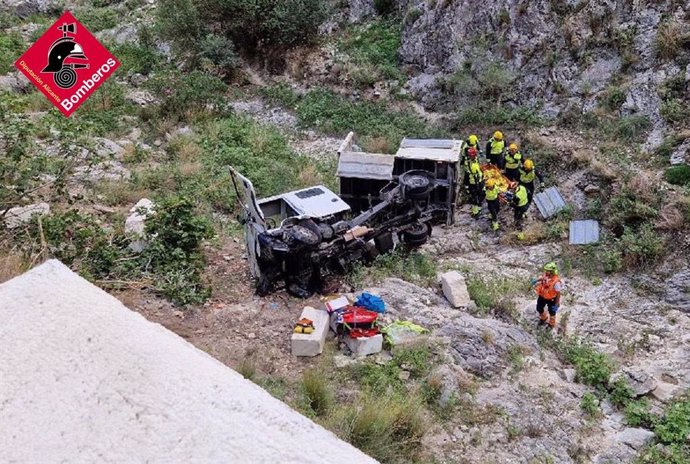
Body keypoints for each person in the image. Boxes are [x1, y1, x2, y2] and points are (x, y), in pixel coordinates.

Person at [532, 262, 563, 329]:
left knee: (552, 311)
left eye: (547, 271)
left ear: (551, 271)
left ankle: (551, 324)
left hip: (551, 298)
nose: (546, 272)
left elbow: (558, 293)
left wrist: (557, 303)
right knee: (539, 308)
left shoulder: (556, 282)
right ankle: (544, 318)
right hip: (542, 296)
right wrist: (536, 280)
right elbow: (543, 278)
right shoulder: (546, 275)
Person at [464, 147, 484, 217]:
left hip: (479, 181)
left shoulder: (476, 160)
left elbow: (479, 169)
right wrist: (466, 186)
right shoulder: (468, 163)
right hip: (472, 183)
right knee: (474, 197)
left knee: (481, 195)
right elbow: (466, 175)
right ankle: (475, 212)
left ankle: (479, 210)